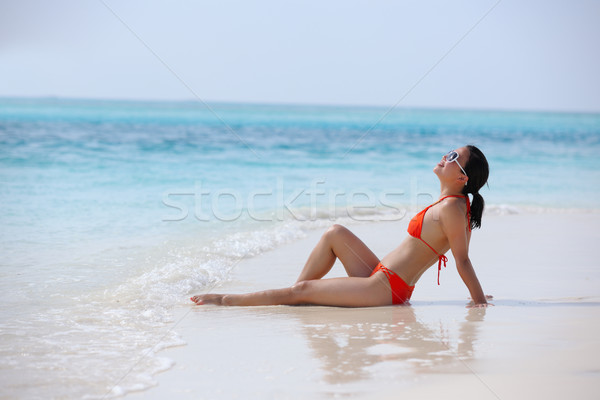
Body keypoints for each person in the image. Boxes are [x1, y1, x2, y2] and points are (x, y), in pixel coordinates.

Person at [191, 145, 491, 308]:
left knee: (303, 289)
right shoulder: (450, 203)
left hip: (386, 289)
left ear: (462, 177)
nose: (444, 156)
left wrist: (478, 301)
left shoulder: (453, 207)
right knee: (334, 233)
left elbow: (461, 258)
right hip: (379, 274)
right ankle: (295, 296)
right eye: (448, 151)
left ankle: (228, 300)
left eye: (453, 157)